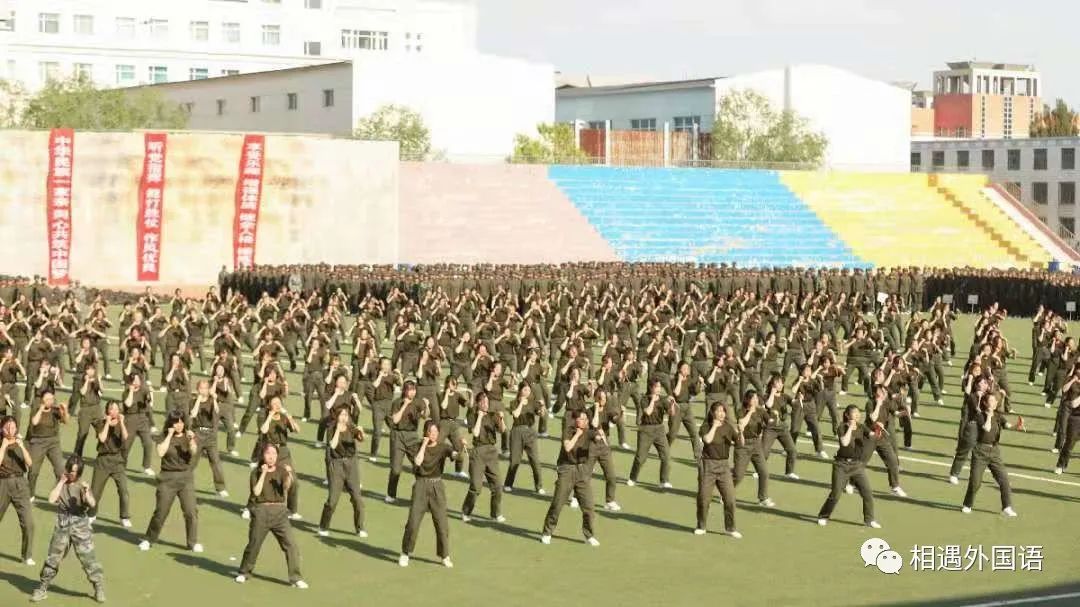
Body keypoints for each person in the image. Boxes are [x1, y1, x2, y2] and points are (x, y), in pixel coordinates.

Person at [31, 455, 105, 603]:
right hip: (63, 523)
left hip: (80, 524)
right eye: (69, 470)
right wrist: (61, 482)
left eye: (73, 472)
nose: (70, 473)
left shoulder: (82, 485)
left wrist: (86, 491)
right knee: (53, 558)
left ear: (79, 473)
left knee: (88, 559)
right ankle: (43, 587)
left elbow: (92, 503)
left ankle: (98, 587)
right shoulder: (62, 481)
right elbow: (51, 499)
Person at [235, 443, 308, 588]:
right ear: (263, 455)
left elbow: (286, 487)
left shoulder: (281, 470)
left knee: (291, 545)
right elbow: (256, 492)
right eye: (268, 453)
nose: (271, 456)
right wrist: (263, 473)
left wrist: (289, 475)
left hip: (279, 512)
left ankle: (295, 577)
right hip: (261, 511)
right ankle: (244, 572)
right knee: (254, 544)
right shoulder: (256, 472)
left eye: (274, 454)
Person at [139, 410, 202, 553]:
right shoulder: (162, 437)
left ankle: (192, 542)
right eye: (176, 422)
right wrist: (169, 435)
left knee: (191, 512)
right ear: (170, 423)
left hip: (185, 478)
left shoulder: (188, 436)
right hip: (167, 479)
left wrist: (191, 440)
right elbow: (161, 452)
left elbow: (193, 451)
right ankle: (149, 539)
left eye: (181, 422)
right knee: (161, 512)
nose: (179, 425)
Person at [399, 420, 459, 568]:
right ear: (425, 432)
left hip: (437, 486)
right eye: (431, 431)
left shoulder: (443, 447)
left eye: (436, 432)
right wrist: (424, 444)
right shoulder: (416, 447)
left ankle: (444, 555)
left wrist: (458, 451)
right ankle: (405, 553)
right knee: (413, 523)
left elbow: (453, 454)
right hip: (421, 485)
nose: (434, 434)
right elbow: (417, 462)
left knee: (442, 524)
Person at [540, 409, 600, 546]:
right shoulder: (568, 430)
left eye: (585, 419)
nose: (583, 421)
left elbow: (595, 435)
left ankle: (589, 535)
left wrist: (598, 436)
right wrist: (577, 435)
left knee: (589, 507)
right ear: (576, 420)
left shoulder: (589, 432)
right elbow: (567, 447)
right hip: (566, 469)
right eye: (581, 419)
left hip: (582, 470)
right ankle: (547, 532)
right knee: (557, 503)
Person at [817, 405, 881, 528]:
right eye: (854, 413)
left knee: (867, 493)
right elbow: (844, 442)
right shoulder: (842, 427)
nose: (857, 415)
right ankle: (823, 516)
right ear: (847, 415)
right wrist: (850, 428)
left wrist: (878, 429)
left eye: (858, 412)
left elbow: (873, 436)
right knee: (836, 494)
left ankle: (869, 519)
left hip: (857, 466)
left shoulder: (862, 427)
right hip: (841, 465)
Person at [961, 393, 1018, 517]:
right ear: (985, 403)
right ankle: (967, 504)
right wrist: (989, 416)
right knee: (975, 482)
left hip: (994, 452)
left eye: (995, 401)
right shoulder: (979, 416)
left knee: (1004, 480)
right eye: (991, 401)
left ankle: (1007, 507)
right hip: (980, 451)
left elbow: (1007, 426)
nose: (994, 403)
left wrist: (1017, 425)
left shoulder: (998, 416)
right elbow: (986, 428)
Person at [318, 407, 368, 538]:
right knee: (332, 500)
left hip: (351, 465)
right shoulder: (331, 428)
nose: (344, 417)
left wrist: (361, 432)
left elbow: (362, 439)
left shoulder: (351, 427)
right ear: (337, 416)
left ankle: (360, 527)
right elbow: (332, 445)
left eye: (346, 415)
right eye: (342, 415)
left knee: (357, 499)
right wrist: (338, 431)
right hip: (337, 465)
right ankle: (323, 526)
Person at [694, 402, 741, 538]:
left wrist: (741, 432)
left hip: (724, 466)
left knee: (730, 499)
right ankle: (701, 526)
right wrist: (714, 426)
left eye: (723, 411)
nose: (721, 414)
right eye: (719, 411)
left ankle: (730, 528)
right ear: (712, 412)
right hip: (708, 465)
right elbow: (707, 440)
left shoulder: (728, 427)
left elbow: (739, 442)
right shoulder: (706, 426)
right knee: (704, 499)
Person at [461, 391, 505, 523]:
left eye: (487, 402)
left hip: (491, 452)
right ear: (478, 403)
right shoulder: (472, 415)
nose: (486, 404)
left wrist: (501, 419)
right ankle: (466, 511)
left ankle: (495, 514)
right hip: (478, 452)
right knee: (476, 487)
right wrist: (480, 417)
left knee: (497, 485)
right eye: (483, 402)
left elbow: (502, 430)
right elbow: (475, 433)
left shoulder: (493, 415)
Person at [89, 401, 131, 528]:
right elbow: (102, 438)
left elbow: (125, 437)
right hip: (103, 460)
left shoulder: (122, 422)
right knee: (95, 491)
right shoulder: (100, 423)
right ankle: (91, 514)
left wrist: (121, 422)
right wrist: (107, 423)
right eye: (111, 409)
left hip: (117, 460)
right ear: (107, 411)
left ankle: (124, 517)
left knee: (123, 490)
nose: (114, 412)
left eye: (116, 409)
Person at [0, 414, 34, 566]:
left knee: (28, 522)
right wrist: (3, 446)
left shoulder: (21, 443)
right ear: (2, 429)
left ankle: (26, 555)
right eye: (7, 427)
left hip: (20, 484)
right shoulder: (1, 443)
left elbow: (30, 463)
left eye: (13, 427)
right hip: (2, 483)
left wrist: (21, 446)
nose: (10, 430)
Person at [189, 379, 228, 497]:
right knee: (192, 461)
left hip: (210, 436)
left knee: (215, 462)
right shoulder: (193, 402)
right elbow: (193, 414)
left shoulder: (212, 401)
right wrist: (198, 400)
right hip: (198, 434)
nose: (203, 391)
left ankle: (220, 488)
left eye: (206, 388)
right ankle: (183, 483)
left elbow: (217, 411)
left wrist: (215, 399)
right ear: (197, 389)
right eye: (201, 388)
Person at [27, 391, 67, 500]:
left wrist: (64, 411)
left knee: (60, 470)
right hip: (38, 442)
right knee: (33, 470)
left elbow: (65, 421)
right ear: (42, 400)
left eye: (52, 399)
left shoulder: (55, 410)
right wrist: (41, 409)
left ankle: (58, 494)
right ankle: (30, 493)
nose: (50, 401)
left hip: (53, 442)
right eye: (47, 399)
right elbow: (34, 422)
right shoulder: (36, 410)